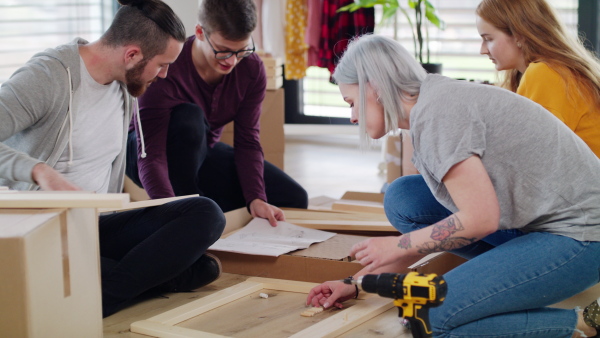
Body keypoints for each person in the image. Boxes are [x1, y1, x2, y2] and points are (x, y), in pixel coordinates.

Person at [305, 35, 600, 337]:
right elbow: (431, 237)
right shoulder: (433, 102)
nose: (353, 117)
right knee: (404, 197)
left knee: (429, 318)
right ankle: (509, 274)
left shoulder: (439, 116)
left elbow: (480, 219)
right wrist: (356, 284)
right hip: (542, 222)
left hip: (584, 237)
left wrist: (395, 244)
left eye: (351, 103)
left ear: (374, 85)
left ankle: (583, 325)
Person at [0, 0, 226, 317]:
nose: (164, 75)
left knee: (207, 214)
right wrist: (40, 171)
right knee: (182, 266)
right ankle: (107, 297)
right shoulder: (48, 77)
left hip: (95, 225)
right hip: (44, 231)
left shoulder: (124, 86)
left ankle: (103, 288)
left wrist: (158, 209)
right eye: (162, 64)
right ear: (132, 54)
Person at [126, 0, 309, 226]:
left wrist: (256, 198)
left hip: (202, 152)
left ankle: (206, 206)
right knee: (189, 119)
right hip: (147, 153)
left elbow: (247, 141)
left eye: (241, 50)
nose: (232, 61)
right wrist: (170, 209)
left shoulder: (251, 70)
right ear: (200, 32)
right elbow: (150, 155)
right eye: (223, 51)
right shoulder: (166, 68)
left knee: (293, 198)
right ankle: (195, 209)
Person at [476, 0, 600, 157]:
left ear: (519, 36)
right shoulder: (544, 71)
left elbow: (533, 155)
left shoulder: (546, 73)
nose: (482, 50)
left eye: (488, 39)